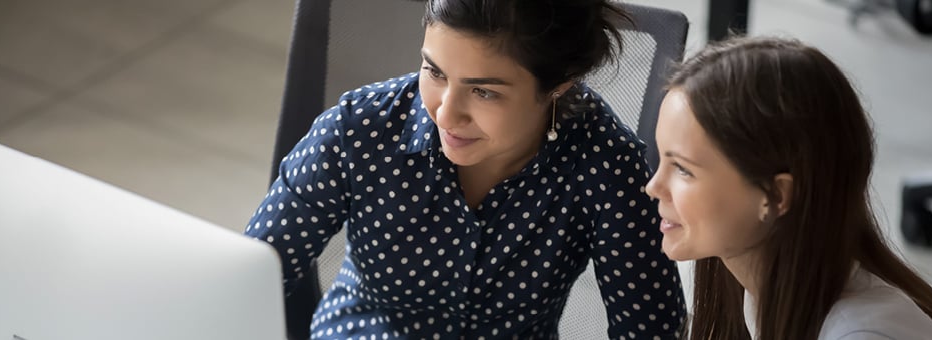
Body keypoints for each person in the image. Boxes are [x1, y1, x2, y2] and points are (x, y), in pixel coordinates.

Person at [244, 0, 687, 338]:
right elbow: (246, 278)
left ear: (559, 84)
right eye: (434, 72)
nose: (446, 114)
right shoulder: (359, 128)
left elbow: (650, 329)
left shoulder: (605, 164)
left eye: (484, 92)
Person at [647, 36, 932, 339]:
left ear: (776, 195)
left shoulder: (859, 334)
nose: (653, 187)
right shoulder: (758, 294)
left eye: (683, 169)